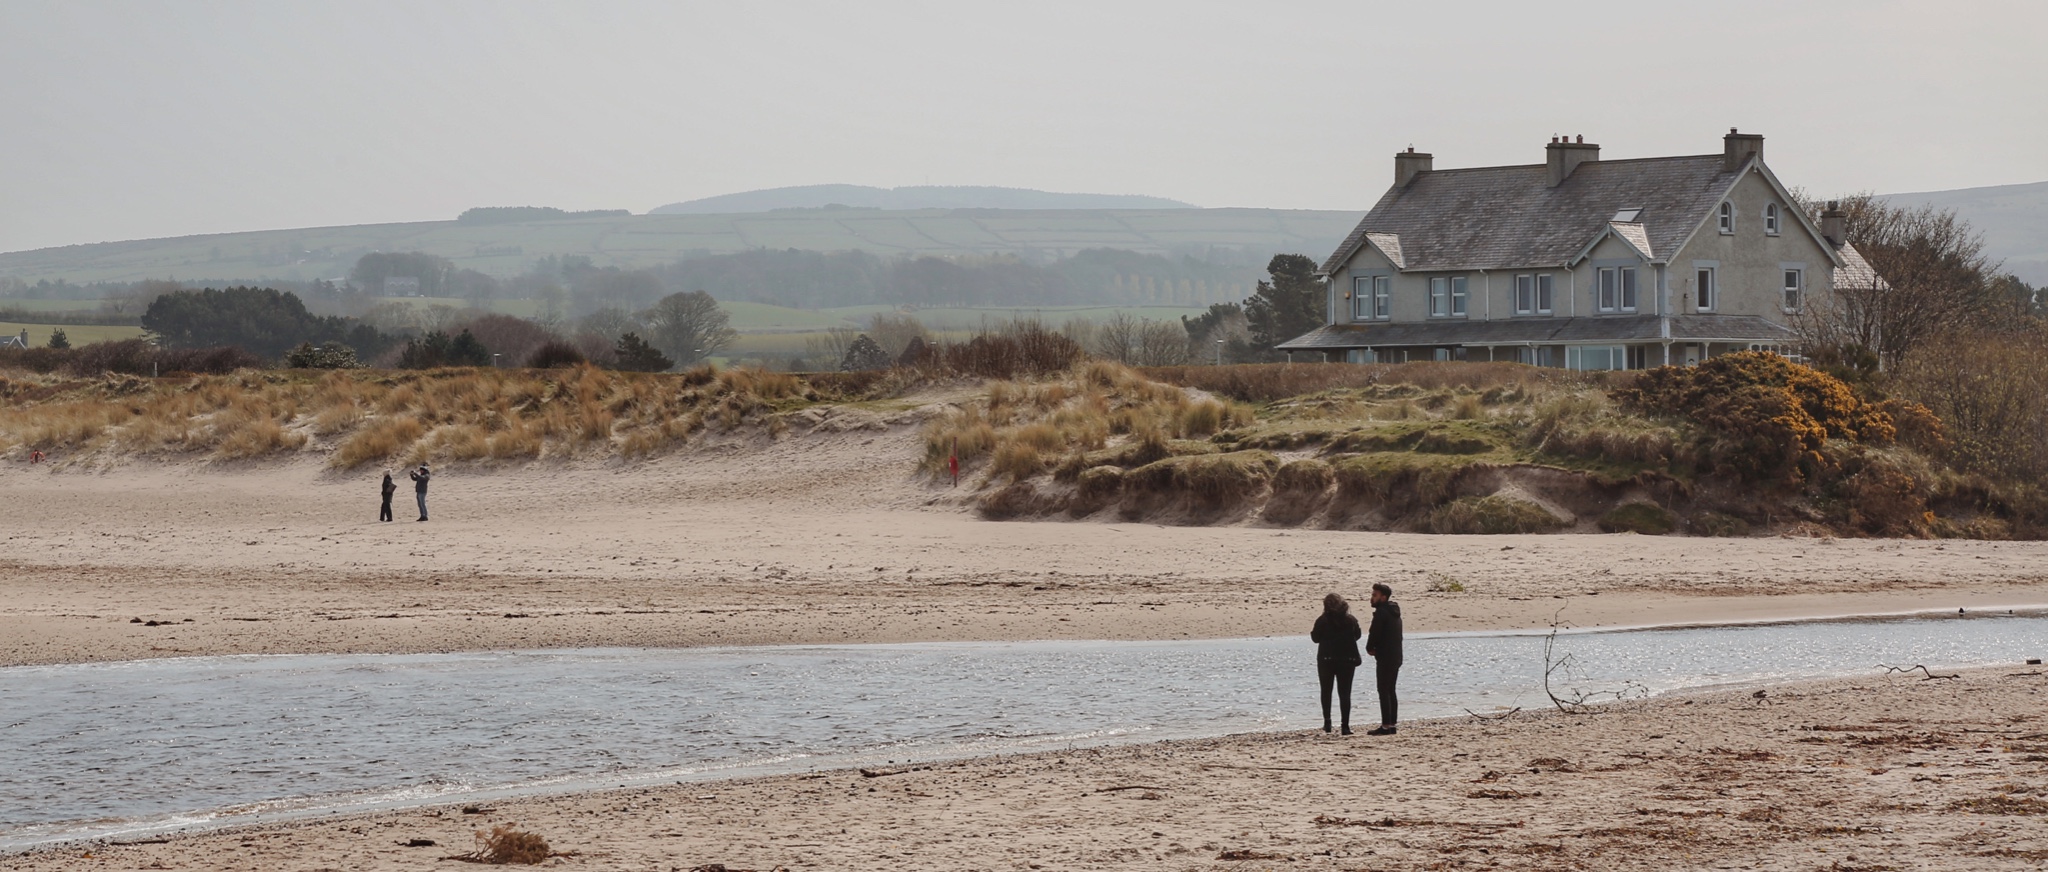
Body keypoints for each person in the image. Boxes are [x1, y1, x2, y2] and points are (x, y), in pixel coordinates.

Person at [1310, 592, 1363, 735]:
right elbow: (1357, 635)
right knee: (1345, 693)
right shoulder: (1350, 620)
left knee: (1326, 691)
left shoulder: (1322, 620)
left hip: (1326, 659)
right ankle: (1345, 726)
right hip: (1347, 660)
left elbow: (1315, 638)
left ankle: (1327, 723)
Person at [1364, 582, 1403, 735]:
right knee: (1391, 690)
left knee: (1383, 690)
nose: (1371, 598)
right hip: (1396, 655)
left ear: (1383, 597)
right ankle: (1392, 724)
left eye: (1375, 595)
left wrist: (1370, 648)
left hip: (1386, 656)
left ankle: (1386, 726)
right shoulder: (1394, 611)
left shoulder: (1381, 613)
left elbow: (1375, 633)